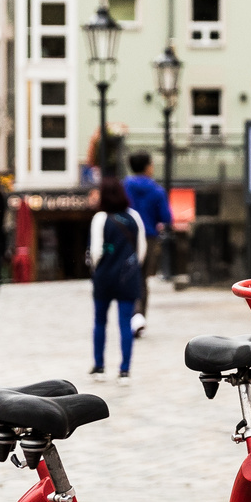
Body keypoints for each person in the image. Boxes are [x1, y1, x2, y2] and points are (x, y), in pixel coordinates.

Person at [88, 179, 147, 382]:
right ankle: (124, 370)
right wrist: (131, 267)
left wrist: (99, 270)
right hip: (128, 277)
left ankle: (99, 366)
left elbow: (95, 251)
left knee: (100, 321)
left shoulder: (100, 218)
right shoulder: (134, 217)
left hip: (104, 277)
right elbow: (141, 249)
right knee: (125, 323)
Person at [123, 152, 172, 338]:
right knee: (142, 278)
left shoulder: (124, 186)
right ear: (147, 167)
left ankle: (128, 316)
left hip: (126, 236)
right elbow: (166, 217)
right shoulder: (157, 190)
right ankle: (139, 317)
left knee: (128, 276)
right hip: (149, 237)